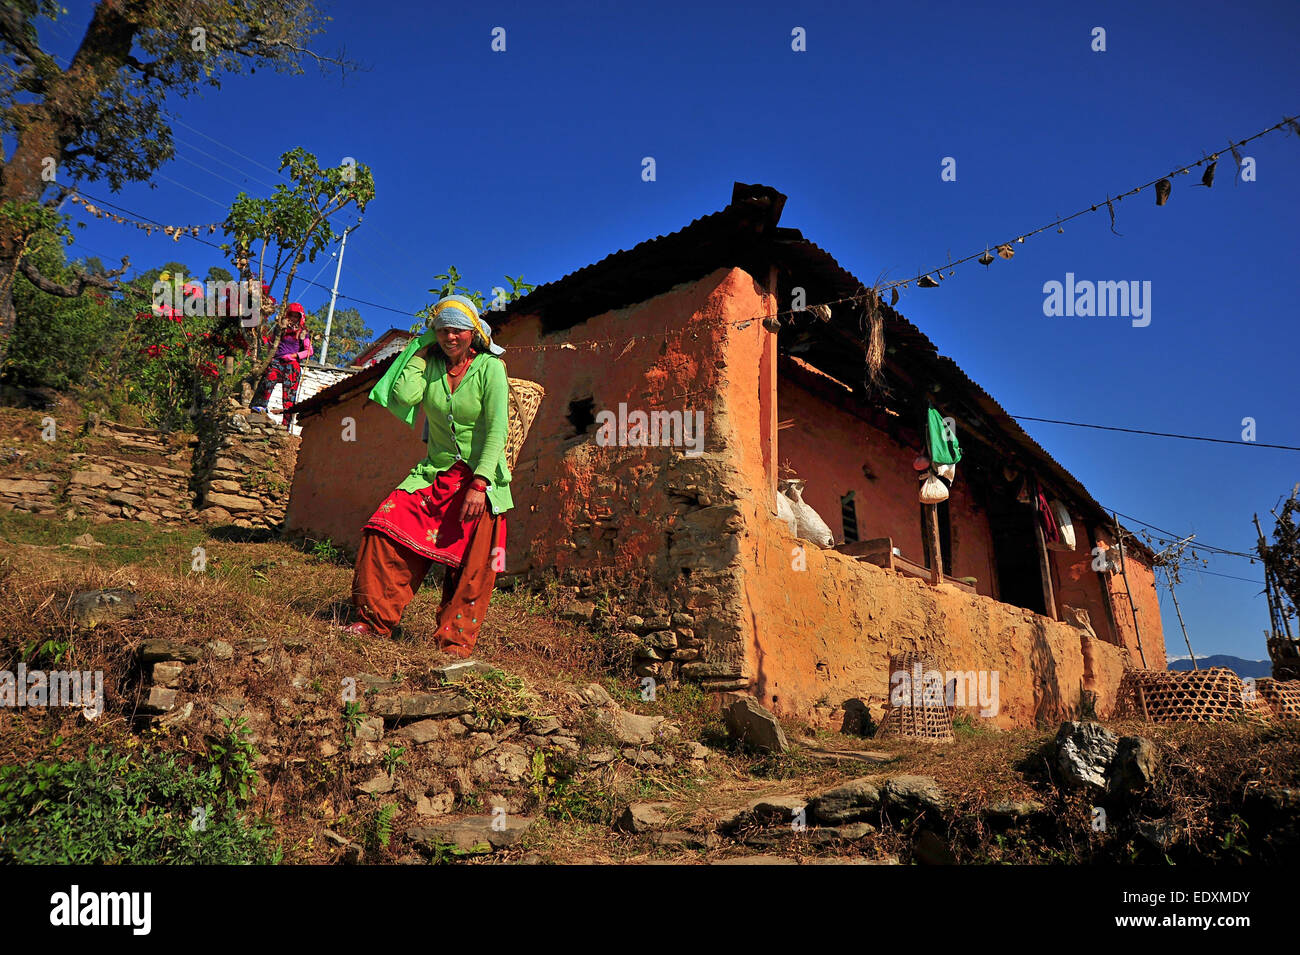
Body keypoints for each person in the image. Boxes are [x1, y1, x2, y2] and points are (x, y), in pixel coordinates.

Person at [345, 294, 512, 660]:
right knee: (384, 530)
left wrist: (481, 484)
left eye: (458, 330)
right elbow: (405, 395)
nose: (450, 337)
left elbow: (498, 429)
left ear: (473, 334)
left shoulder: (490, 368)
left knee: (472, 569)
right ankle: (373, 621)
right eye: (442, 330)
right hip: (434, 475)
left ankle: (453, 645)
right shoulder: (431, 362)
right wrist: (420, 350)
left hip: (479, 480)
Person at [251, 302, 313, 428]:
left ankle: (286, 424)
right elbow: (271, 343)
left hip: (292, 365)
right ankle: (259, 410)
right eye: (292, 315)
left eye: (297, 316)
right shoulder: (279, 328)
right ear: (287, 315)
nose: (294, 319)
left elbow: (309, 351)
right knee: (267, 382)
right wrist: (270, 357)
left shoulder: (302, 332)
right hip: (277, 362)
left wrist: (294, 356)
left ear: (300, 317)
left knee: (289, 395)